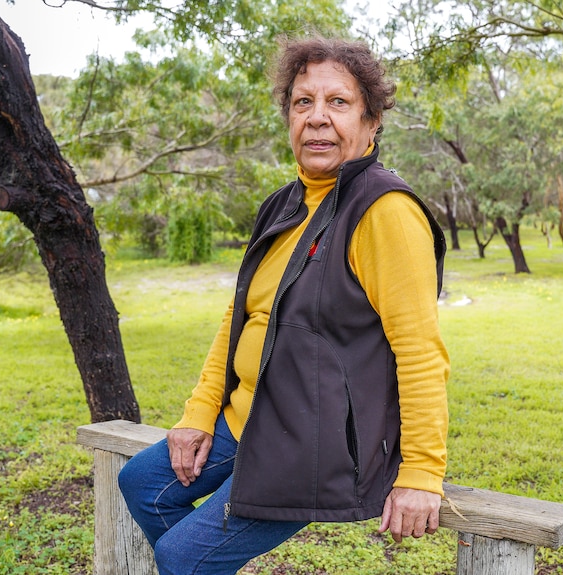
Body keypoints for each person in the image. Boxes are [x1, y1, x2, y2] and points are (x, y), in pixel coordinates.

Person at [118, 37, 450, 575]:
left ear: (371, 123)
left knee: (182, 558)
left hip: (310, 443)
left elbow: (419, 354)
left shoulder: (385, 212)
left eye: (338, 103)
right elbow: (240, 316)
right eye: (303, 103)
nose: (317, 118)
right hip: (248, 417)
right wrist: (199, 413)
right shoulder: (285, 202)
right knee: (143, 484)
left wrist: (421, 474)